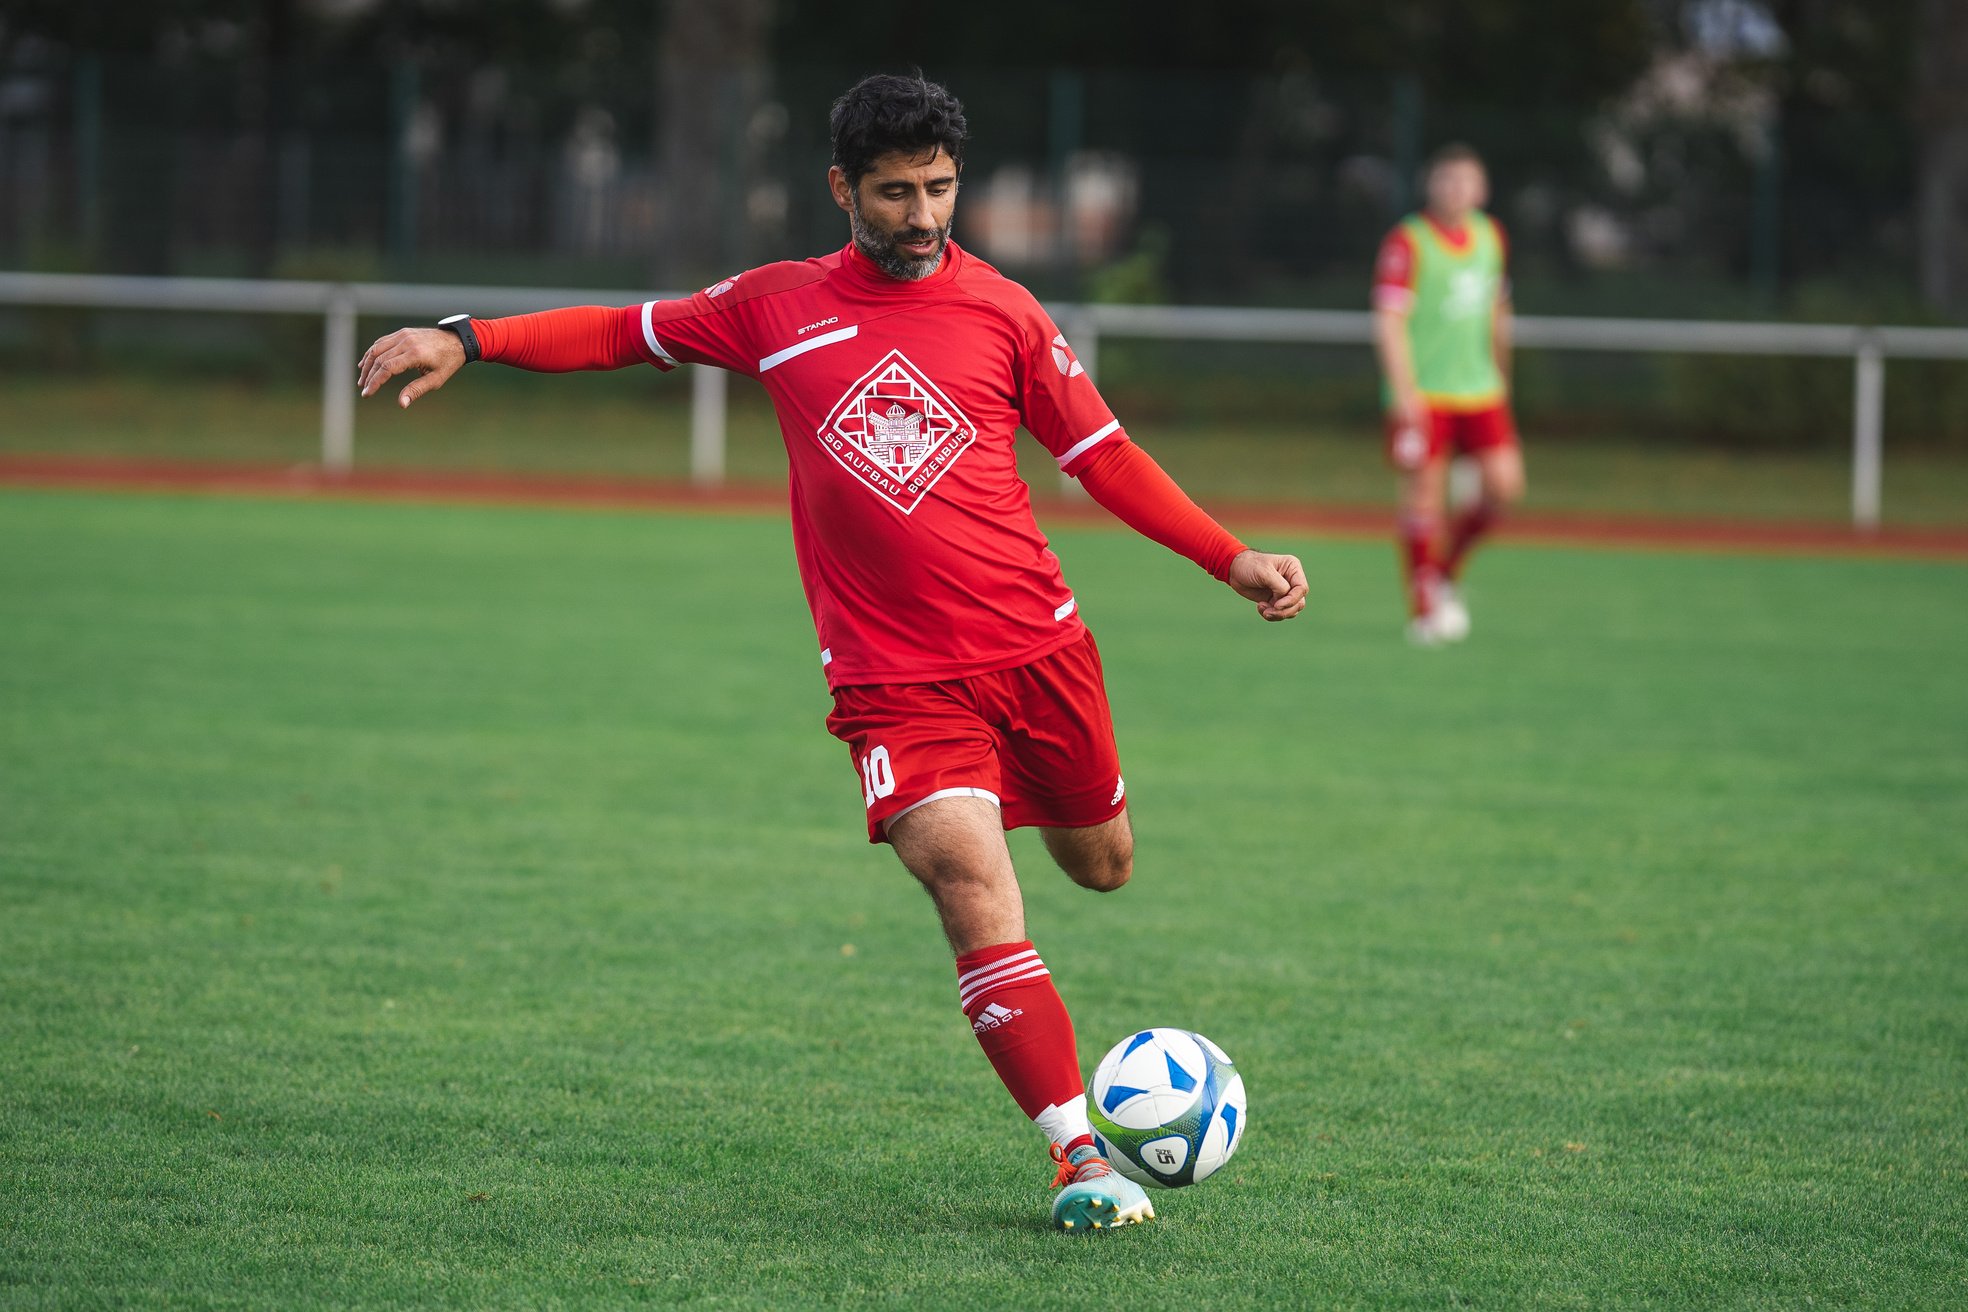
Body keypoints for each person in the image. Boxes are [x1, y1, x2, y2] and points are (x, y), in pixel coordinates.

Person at [356, 73, 1306, 1233]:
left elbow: (1101, 456)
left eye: (941, 190)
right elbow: (621, 331)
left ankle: (1051, 852)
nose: (922, 216)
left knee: (1102, 863)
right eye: (897, 193)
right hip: (893, 681)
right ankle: (1079, 1159)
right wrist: (470, 337)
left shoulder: (1005, 312)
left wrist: (1231, 557)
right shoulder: (773, 304)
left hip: (1039, 650)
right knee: (969, 882)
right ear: (841, 189)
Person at [1371, 143, 1525, 646]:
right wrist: (1403, 392)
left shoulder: (1491, 236)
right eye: (1446, 179)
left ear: (1482, 189)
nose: (1456, 188)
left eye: (1466, 180)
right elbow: (1389, 323)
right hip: (1427, 393)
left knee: (1505, 488)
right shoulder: (1407, 242)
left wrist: (1503, 372)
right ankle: (1423, 610)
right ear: (1431, 184)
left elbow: (1499, 310)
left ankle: (1442, 574)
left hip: (1481, 389)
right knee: (1425, 498)